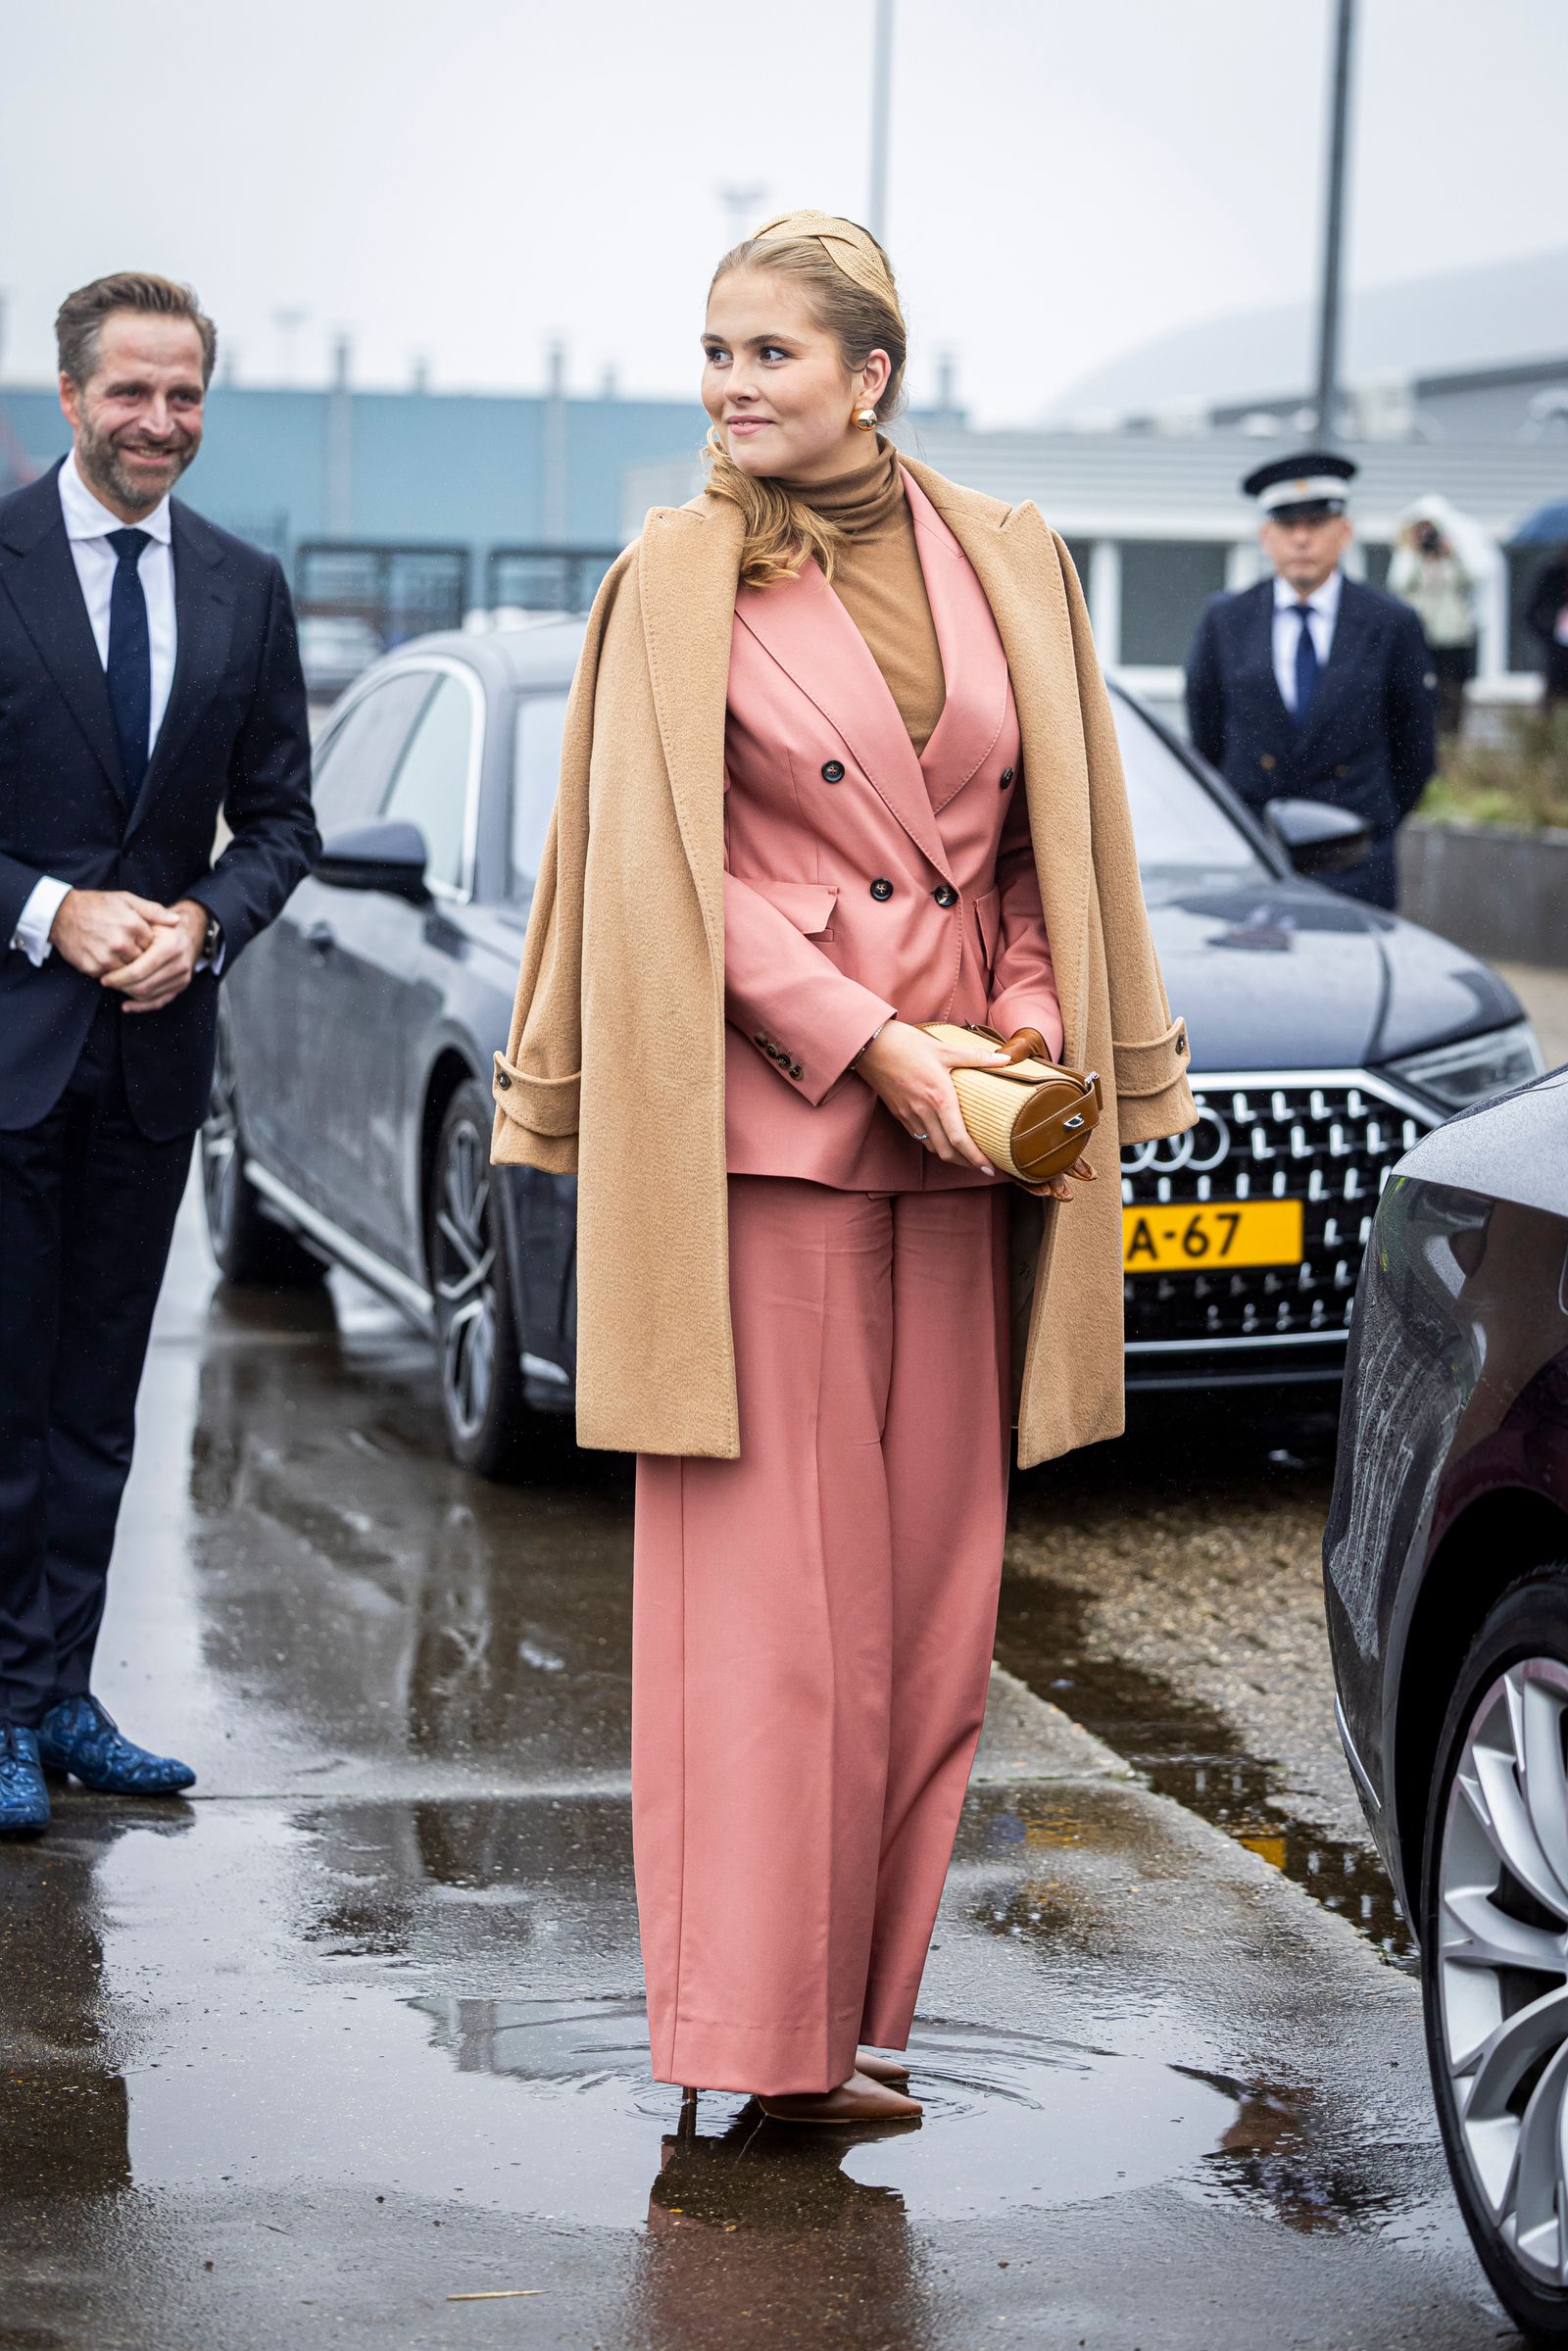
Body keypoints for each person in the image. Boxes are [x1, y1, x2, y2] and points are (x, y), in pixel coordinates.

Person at [491, 211, 1194, 2124]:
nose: (727, 386)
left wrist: (1027, 1027)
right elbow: (675, 876)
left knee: (926, 1606)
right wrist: (868, 1039)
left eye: (766, 353)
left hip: (971, 1140)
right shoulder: (676, 573)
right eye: (711, 353)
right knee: (766, 1626)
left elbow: (1049, 835)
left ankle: (857, 2031)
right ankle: (744, 2036)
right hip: (777, 1143)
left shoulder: (1008, 554)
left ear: (870, 370)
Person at [0, 274, 318, 1835]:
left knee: (95, 1403)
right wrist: (51, 911)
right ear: (68, 396)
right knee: (1, 1397)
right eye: (132, 393)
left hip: (147, 1059)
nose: (160, 423)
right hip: (9, 1050)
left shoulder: (245, 586)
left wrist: (203, 921)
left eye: (185, 394)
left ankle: (59, 1692)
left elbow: (283, 824)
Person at [1185, 452, 1437, 908]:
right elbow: (1206, 736)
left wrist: (1372, 826)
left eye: (1316, 523)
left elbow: (1415, 748)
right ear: (1266, 537)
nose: (1301, 539)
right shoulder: (1226, 619)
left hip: (1355, 858)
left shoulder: (1390, 622)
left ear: (1344, 533)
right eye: (1287, 525)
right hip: (1253, 855)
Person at [1388, 514, 1478, 743]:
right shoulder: (1411, 558)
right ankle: (1422, 734)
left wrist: (1453, 553)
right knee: (1423, 687)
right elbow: (1398, 583)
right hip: (1423, 635)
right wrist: (1413, 552)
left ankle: (1450, 735)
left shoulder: (1449, 559)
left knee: (1453, 688)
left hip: (1454, 635)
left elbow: (1472, 579)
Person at [1525, 542, 1568, 710]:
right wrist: (1550, 628)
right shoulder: (1553, 576)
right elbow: (1533, 612)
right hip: (1558, 649)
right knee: (1554, 699)